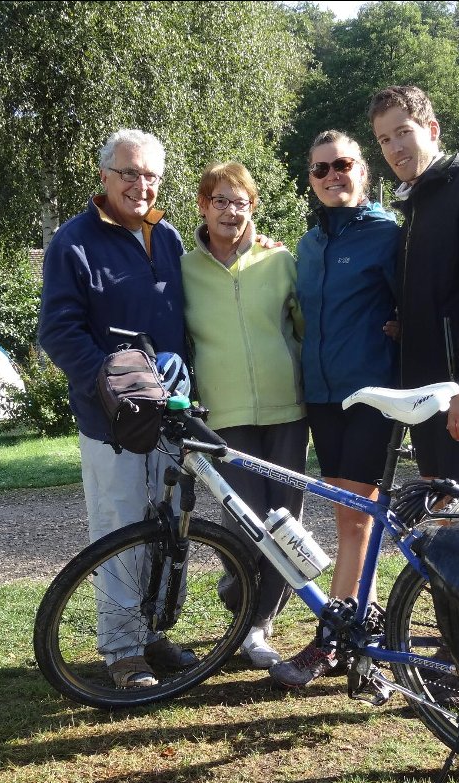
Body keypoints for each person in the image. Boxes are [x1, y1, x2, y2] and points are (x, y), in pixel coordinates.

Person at [37, 128, 197, 690]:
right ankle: (123, 651)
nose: (141, 184)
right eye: (129, 172)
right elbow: (57, 332)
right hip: (112, 424)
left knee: (166, 529)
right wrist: (110, 377)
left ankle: (151, 633)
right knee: (120, 529)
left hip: (171, 415)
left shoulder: (168, 237)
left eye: (151, 174)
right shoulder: (73, 242)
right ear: (104, 175)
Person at [268, 130, 400, 688]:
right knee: (345, 515)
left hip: (370, 394)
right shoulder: (308, 245)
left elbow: (415, 303)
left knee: (355, 516)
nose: (331, 176)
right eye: (320, 170)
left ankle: (336, 636)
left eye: (342, 165)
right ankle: (350, 625)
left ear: (363, 172)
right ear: (311, 180)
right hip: (322, 395)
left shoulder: (388, 234)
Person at [181, 161, 308, 670]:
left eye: (241, 202)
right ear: (203, 206)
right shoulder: (183, 268)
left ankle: (258, 626)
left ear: (253, 207)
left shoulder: (280, 261)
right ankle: (241, 596)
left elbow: (302, 326)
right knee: (244, 523)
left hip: (287, 411)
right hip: (226, 414)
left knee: (286, 524)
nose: (231, 211)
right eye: (220, 201)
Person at [368, 85, 459, 487]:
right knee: (437, 503)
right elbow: (437, 287)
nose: (395, 148)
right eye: (384, 139)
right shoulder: (418, 200)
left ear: (431, 129)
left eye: (403, 132)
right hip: (425, 382)